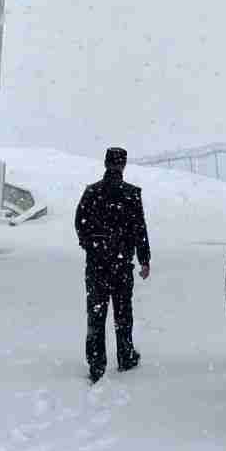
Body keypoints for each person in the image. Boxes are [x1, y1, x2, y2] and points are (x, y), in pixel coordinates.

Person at [74, 146, 151, 383]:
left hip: (97, 265)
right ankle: (125, 355)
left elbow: (80, 223)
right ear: (124, 165)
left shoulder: (92, 192)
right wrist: (144, 259)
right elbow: (140, 229)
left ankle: (97, 363)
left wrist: (91, 246)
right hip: (121, 264)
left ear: (106, 163)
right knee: (123, 312)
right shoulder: (131, 194)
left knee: (96, 313)